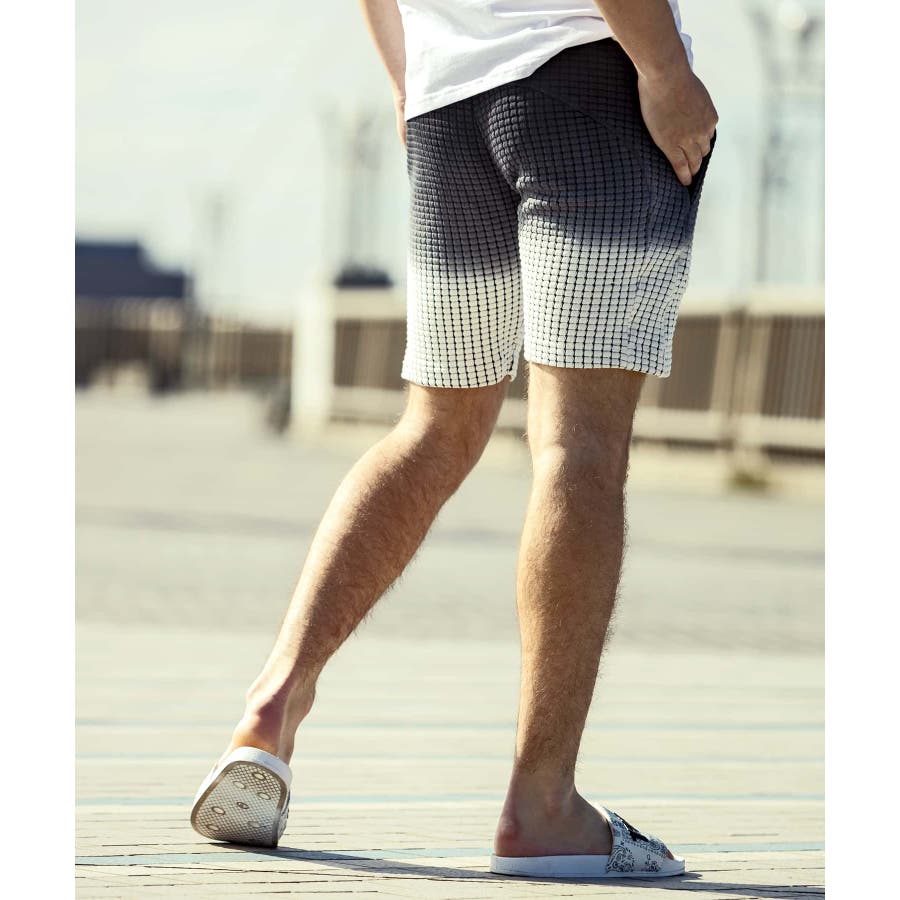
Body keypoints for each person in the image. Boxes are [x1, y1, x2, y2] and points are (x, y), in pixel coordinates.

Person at [190, 0, 717, 880]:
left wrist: (410, 84)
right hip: (585, 78)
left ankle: (270, 711)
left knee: (433, 429)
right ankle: (542, 806)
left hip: (448, 107)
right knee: (577, 448)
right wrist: (663, 69)